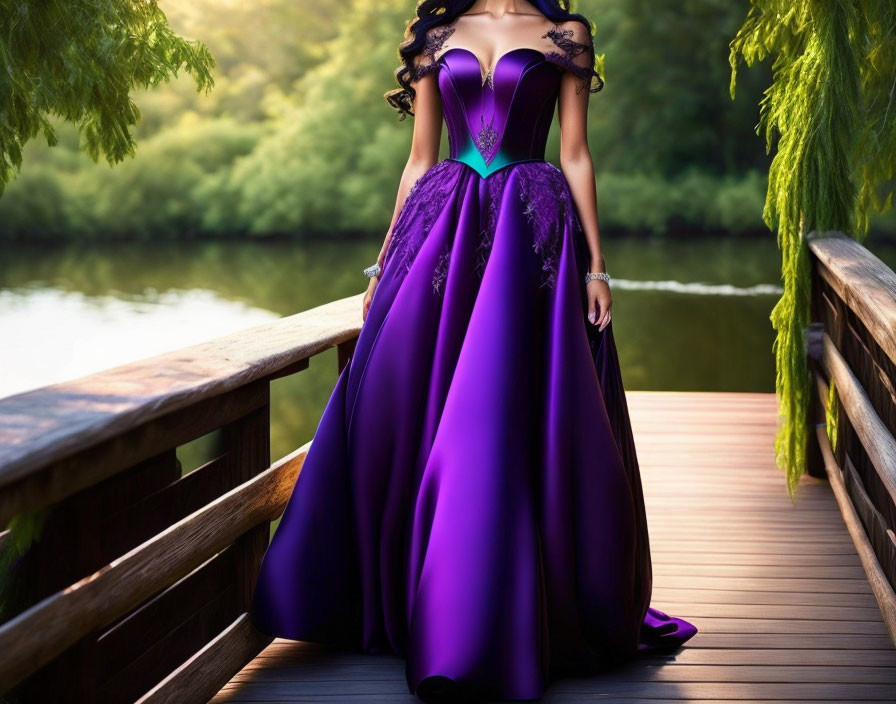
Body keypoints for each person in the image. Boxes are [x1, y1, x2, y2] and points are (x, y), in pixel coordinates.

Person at [250, 1, 697, 700]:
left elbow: (575, 154)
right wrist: (381, 265)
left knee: (503, 410)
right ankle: (410, 598)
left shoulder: (566, 35)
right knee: (407, 402)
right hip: (443, 228)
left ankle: (500, 613)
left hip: (530, 227)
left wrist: (597, 266)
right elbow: (419, 159)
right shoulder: (436, 33)